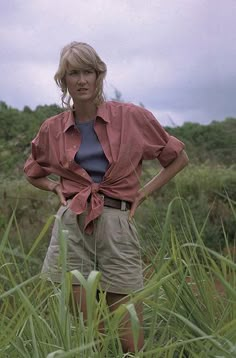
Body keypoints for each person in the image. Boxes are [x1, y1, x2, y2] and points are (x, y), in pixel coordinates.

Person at [24, 41, 189, 353]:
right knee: (91, 329)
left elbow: (177, 158)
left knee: (128, 327)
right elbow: (32, 170)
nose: (82, 80)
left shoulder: (131, 117)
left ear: (99, 75)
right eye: (74, 73)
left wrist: (142, 193)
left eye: (88, 71)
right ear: (64, 80)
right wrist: (54, 187)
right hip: (72, 224)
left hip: (116, 221)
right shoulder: (52, 128)